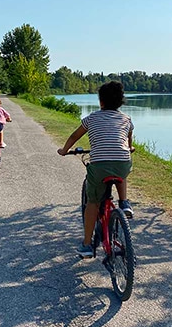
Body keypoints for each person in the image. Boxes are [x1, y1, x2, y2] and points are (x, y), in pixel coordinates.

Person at [57, 81, 135, 258]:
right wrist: (129, 148)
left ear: (101, 102)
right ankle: (124, 203)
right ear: (121, 102)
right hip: (123, 161)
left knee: (92, 202)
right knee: (122, 171)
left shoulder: (91, 118)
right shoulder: (126, 119)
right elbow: (128, 139)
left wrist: (64, 150)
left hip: (99, 165)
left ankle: (86, 245)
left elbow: (75, 135)